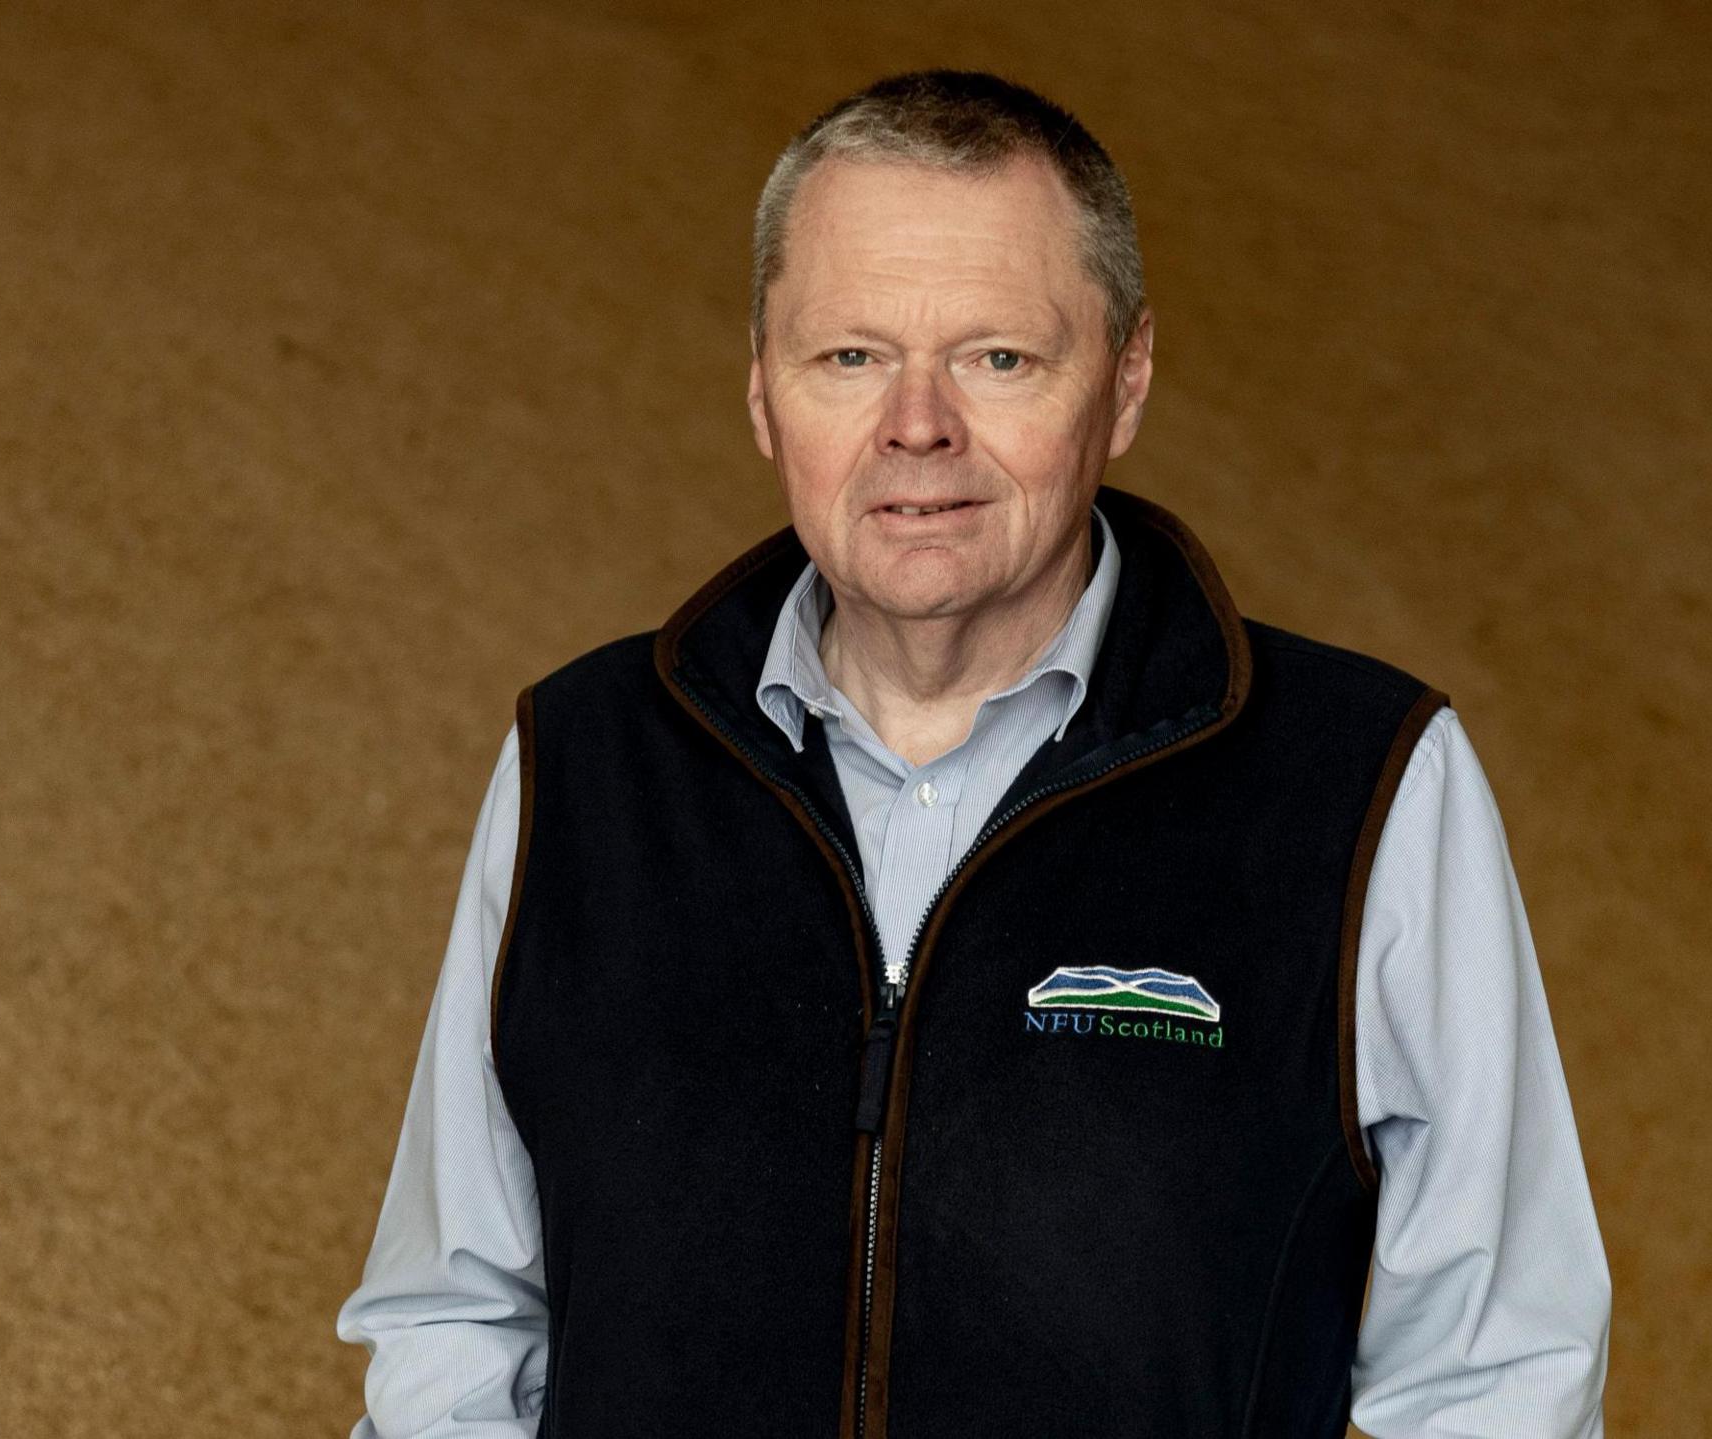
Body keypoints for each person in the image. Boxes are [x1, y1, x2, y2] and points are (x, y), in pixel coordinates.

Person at [337, 70, 1610, 1438]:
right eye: (851, 357)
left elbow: (1497, 1377)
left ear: (1123, 384)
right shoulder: (585, 766)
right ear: (764, 392)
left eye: (999, 357)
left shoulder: (1361, 785)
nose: (918, 424)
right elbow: (453, 1327)